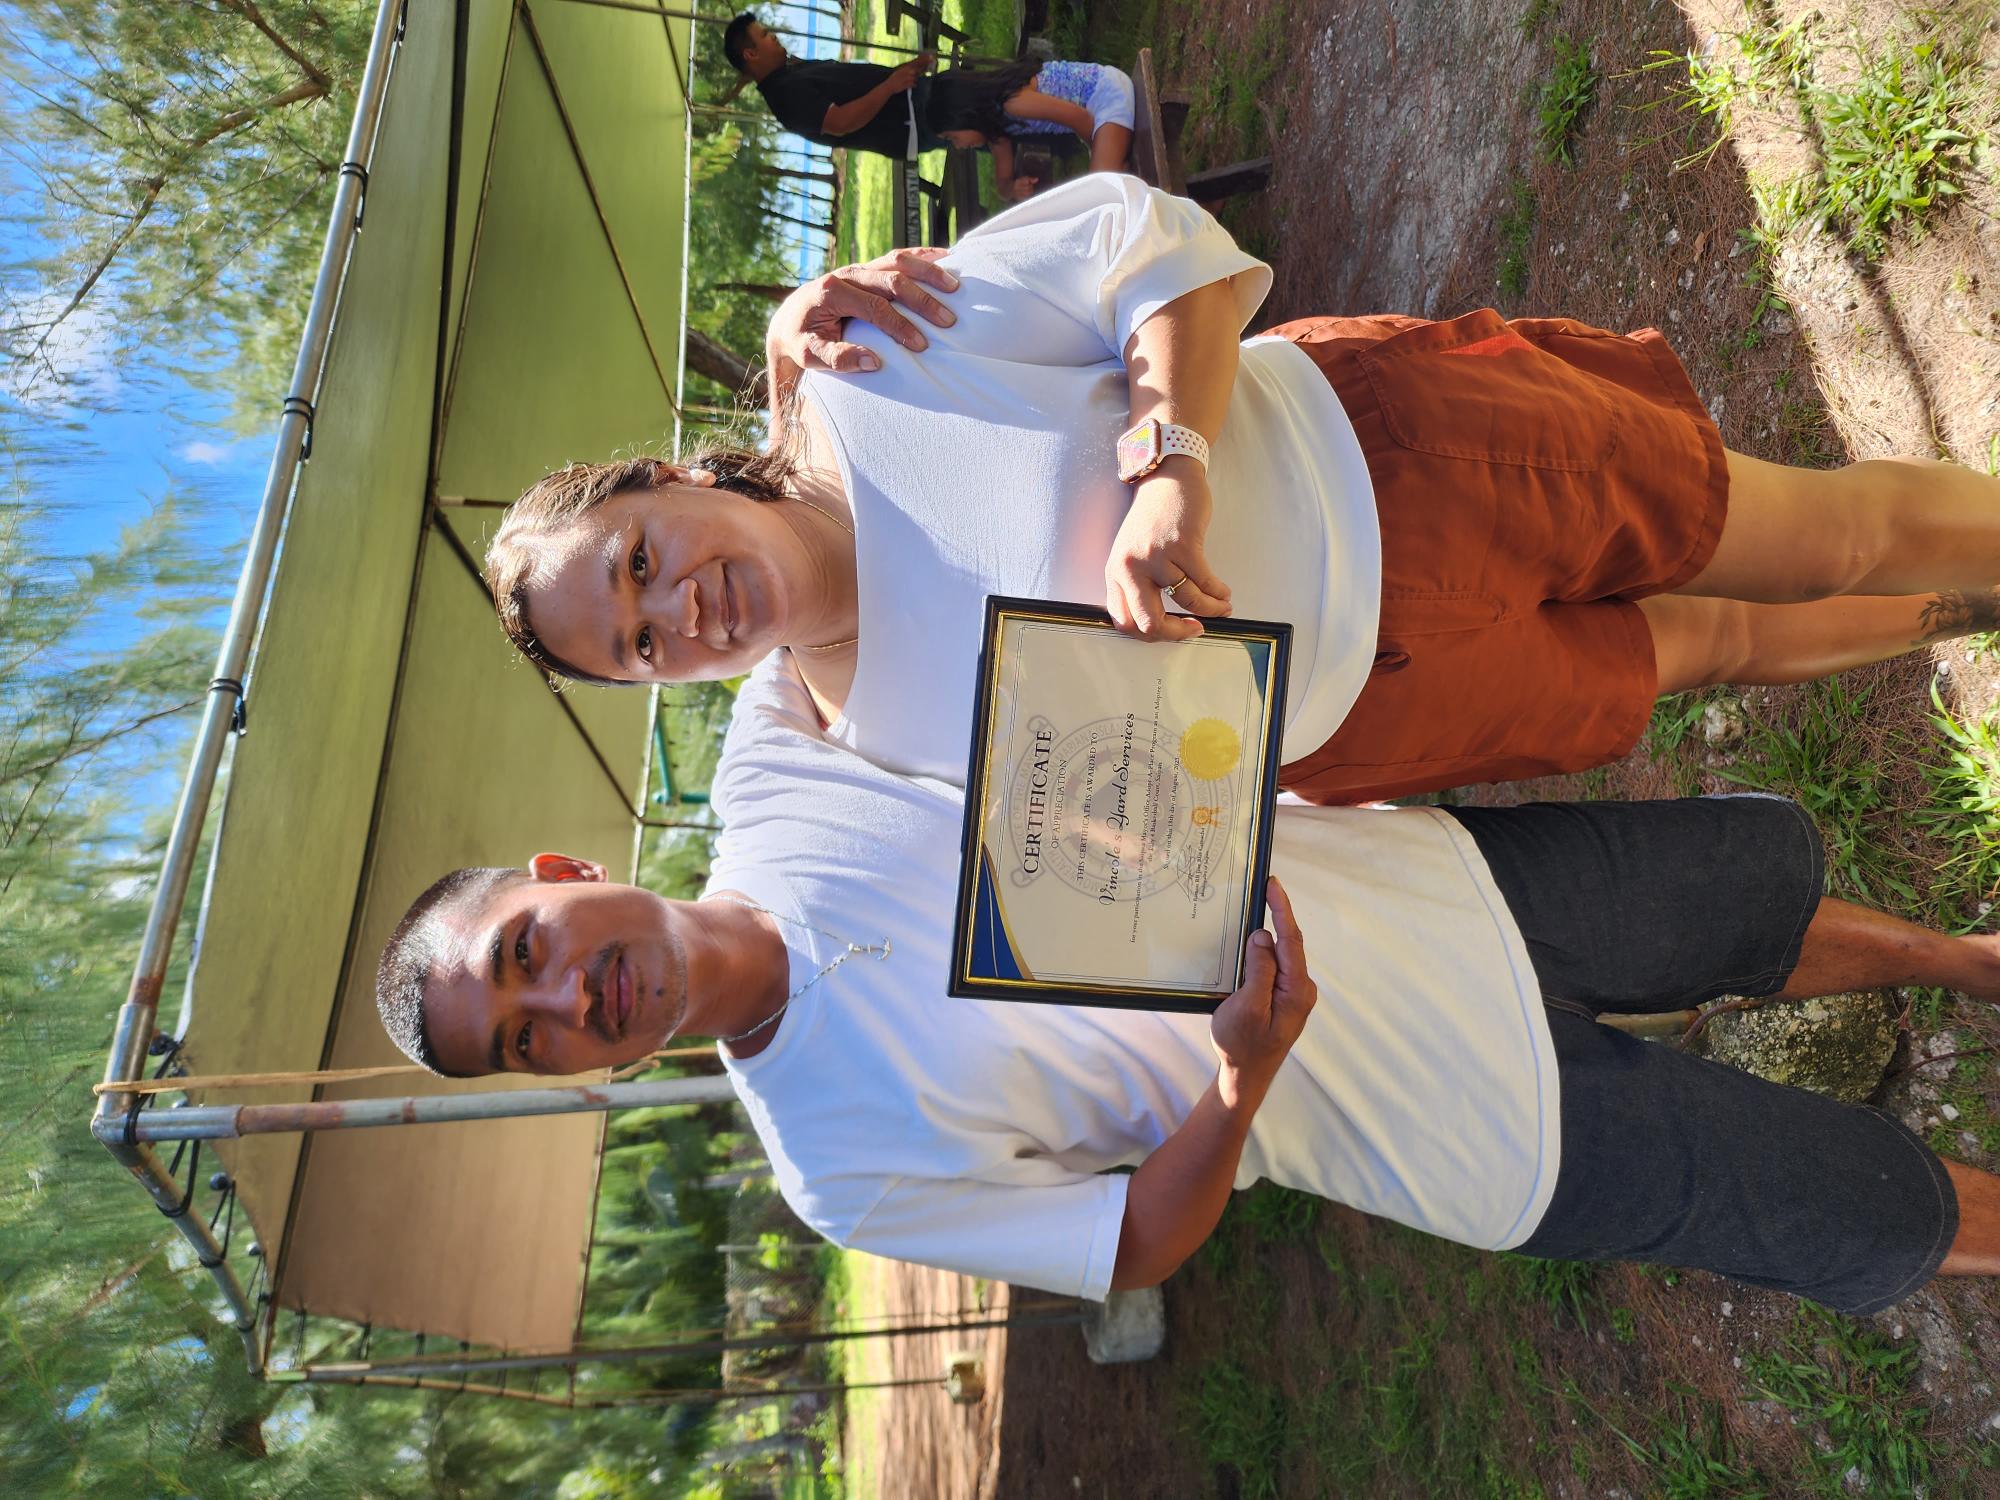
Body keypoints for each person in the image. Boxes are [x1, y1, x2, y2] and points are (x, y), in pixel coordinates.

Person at [377, 653, 1999, 1311]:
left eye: (524, 955)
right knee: (1835, 1202)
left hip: (1424, 882)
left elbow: (823, 542)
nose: (564, 1003)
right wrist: (1239, 1079)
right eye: (527, 1040)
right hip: (1447, 1124)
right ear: (569, 1079)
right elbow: (1131, 1243)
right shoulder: (835, 1168)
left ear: (561, 875)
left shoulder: (775, 763)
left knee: (1742, 900)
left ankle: (1973, 966)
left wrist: (818, 355)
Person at [483, 175, 2000, 805]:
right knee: (1713, 647)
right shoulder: (861, 744)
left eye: (637, 560)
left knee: (1813, 535)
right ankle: (1977, 607)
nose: (677, 612)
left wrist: (1170, 472)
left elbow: (1161, 254)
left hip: (1399, 466)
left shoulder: (872, 359)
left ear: (663, 479)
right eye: (639, 648)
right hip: (1370, 714)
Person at [724, 11, 941, 160]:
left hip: (913, 98)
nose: (773, 36)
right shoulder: (784, 96)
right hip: (911, 120)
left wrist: (909, 68)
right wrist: (890, 86)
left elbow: (860, 84)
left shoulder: (790, 72)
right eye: (764, 35)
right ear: (751, 54)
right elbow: (840, 122)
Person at [926, 59, 1138, 196]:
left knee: (1099, 192)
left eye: (952, 137)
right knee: (1100, 190)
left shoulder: (1012, 102)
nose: (958, 146)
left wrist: (1098, 152)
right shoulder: (997, 130)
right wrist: (1012, 188)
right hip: (1096, 114)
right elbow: (1003, 186)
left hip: (1105, 94)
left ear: (964, 115)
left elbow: (1080, 118)